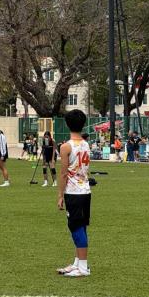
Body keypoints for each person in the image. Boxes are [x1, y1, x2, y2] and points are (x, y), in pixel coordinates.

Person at [57, 109, 92, 277]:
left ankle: (83, 267)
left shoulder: (65, 147)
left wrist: (60, 195)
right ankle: (78, 263)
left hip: (73, 192)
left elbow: (63, 173)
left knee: (76, 227)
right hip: (85, 190)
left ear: (67, 124)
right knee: (81, 227)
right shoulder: (86, 144)